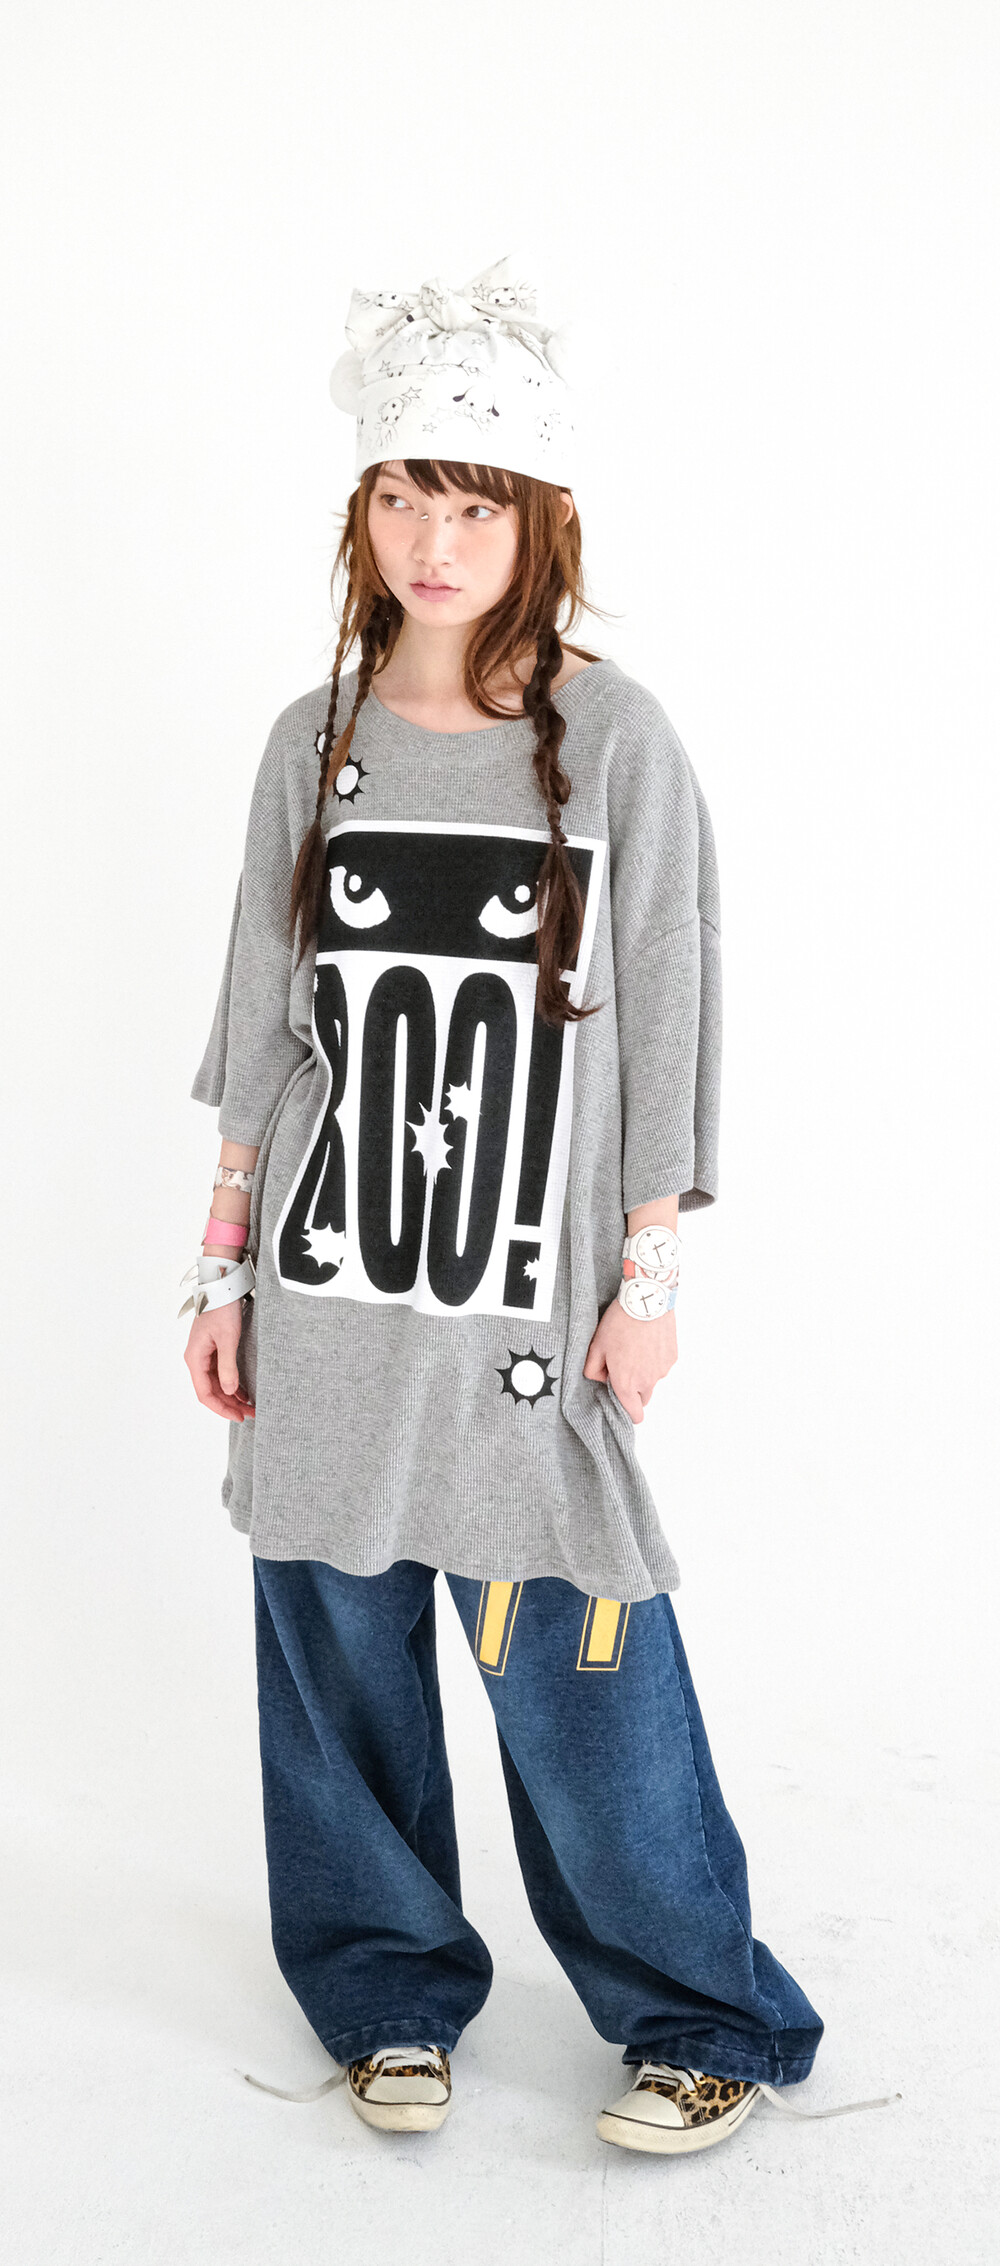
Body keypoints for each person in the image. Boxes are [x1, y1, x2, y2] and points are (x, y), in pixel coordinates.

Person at [181, 256, 825, 2156]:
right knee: (333, 1660)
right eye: (403, 496)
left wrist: (651, 1273)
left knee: (585, 1669)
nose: (434, 541)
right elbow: (264, 1019)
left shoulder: (618, 743)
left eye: (474, 504)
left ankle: (700, 2010)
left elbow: (671, 1009)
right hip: (329, 1287)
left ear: (539, 521)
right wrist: (220, 1268)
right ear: (361, 509)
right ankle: (386, 1992)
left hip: (526, 1312)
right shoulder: (310, 741)